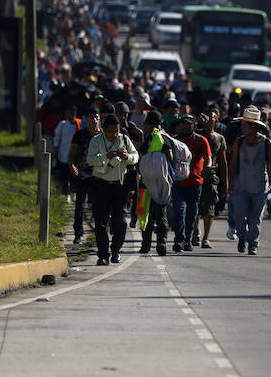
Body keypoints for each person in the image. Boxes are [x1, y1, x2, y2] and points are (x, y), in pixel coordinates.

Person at [86, 114, 139, 265]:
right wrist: (105, 156)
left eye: (116, 131)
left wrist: (127, 156)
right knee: (100, 222)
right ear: (103, 130)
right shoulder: (96, 140)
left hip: (119, 186)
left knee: (120, 221)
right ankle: (103, 254)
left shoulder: (124, 139)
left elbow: (136, 156)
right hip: (101, 185)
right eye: (111, 132)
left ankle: (115, 250)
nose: (114, 135)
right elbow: (90, 159)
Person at [227, 106, 271, 255]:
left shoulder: (266, 143)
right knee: (239, 215)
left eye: (244, 125)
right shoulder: (239, 142)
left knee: (255, 218)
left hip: (260, 187)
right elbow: (233, 164)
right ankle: (242, 237)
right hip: (241, 186)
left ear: (253, 127)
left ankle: (253, 244)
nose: (241, 127)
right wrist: (230, 184)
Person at [171, 114, 211, 252]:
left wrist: (207, 167)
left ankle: (188, 239)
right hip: (178, 182)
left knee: (192, 214)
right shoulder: (174, 140)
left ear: (194, 125)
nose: (185, 126)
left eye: (189, 124)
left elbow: (208, 158)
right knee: (179, 211)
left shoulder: (201, 140)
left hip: (195, 183)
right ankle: (179, 239)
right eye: (183, 123)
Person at [138, 110, 173, 256]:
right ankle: (161, 244)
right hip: (162, 183)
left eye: (145, 123)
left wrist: (153, 160)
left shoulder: (153, 138)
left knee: (146, 215)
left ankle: (146, 245)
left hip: (148, 183)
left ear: (149, 124)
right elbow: (170, 158)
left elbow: (143, 155)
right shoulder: (166, 137)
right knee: (161, 215)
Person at [193, 112, 227, 248]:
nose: (208, 119)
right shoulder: (197, 135)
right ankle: (195, 232)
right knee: (195, 205)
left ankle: (206, 237)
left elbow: (223, 162)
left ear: (216, 119)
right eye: (206, 116)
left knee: (210, 206)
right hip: (196, 174)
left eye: (211, 116)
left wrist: (226, 183)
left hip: (212, 175)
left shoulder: (219, 138)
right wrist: (196, 121)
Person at [68, 108, 100, 244]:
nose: (94, 120)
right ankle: (78, 233)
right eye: (91, 117)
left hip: (99, 176)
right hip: (83, 175)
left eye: (96, 117)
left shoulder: (103, 136)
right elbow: (72, 153)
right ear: (86, 118)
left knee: (99, 205)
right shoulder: (80, 135)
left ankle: (99, 233)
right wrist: (71, 166)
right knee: (80, 205)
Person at [53, 105, 81, 195]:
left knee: (74, 176)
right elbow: (56, 140)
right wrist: (55, 153)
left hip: (75, 156)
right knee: (64, 176)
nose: (71, 115)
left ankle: (72, 193)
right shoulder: (62, 125)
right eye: (69, 112)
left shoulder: (79, 124)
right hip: (63, 155)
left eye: (73, 113)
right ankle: (64, 193)